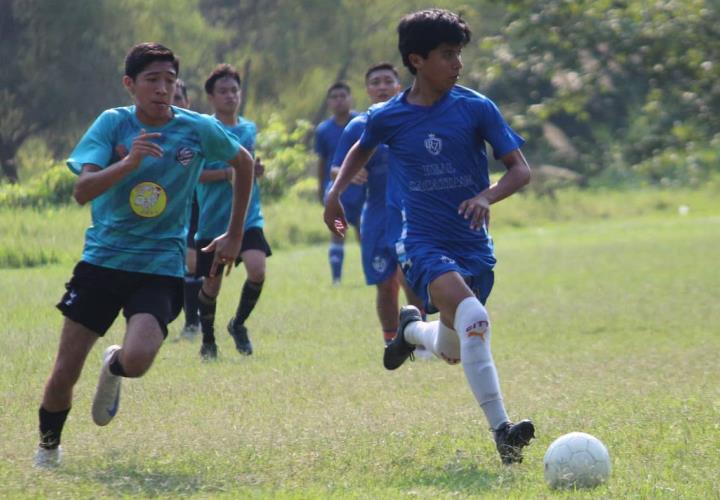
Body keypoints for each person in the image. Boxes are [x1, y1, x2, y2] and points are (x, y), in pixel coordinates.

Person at [323, 9, 535, 465]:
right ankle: (503, 431)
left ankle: (411, 330)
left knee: (457, 346)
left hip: (474, 247)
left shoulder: (476, 107)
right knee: (474, 317)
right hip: (421, 244)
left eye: (459, 54)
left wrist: (487, 196)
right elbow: (360, 150)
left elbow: (520, 170)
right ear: (417, 60)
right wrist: (334, 197)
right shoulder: (388, 117)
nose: (458, 64)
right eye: (447, 55)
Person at [34, 43, 254, 468]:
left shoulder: (195, 128)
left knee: (137, 359)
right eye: (152, 80)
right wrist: (130, 163)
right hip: (103, 261)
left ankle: (113, 367)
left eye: (169, 81)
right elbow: (82, 191)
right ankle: (47, 448)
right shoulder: (113, 124)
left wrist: (235, 232)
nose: (162, 89)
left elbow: (243, 163)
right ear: (130, 84)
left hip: (159, 263)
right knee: (65, 371)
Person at [330, 63, 426, 346]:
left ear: (399, 85)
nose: (382, 87)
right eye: (375, 82)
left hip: (412, 213)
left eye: (388, 81)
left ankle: (420, 340)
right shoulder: (358, 126)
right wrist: (349, 174)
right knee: (385, 284)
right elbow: (336, 169)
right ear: (367, 89)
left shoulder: (414, 120)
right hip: (375, 215)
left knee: (412, 280)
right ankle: (391, 342)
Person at [194, 63, 271, 360]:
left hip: (248, 215)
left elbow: (247, 167)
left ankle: (238, 324)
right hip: (214, 219)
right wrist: (228, 173)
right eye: (223, 91)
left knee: (257, 269)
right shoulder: (204, 129)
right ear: (211, 97)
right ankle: (208, 339)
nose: (230, 96)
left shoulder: (248, 128)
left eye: (234, 90)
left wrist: (255, 170)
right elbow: (196, 174)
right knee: (211, 284)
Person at [314, 82, 363, 285]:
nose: (339, 100)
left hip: (362, 189)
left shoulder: (361, 123)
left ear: (350, 98)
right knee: (338, 231)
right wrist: (320, 188)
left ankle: (373, 271)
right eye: (334, 97)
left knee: (365, 232)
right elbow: (322, 162)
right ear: (329, 102)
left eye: (343, 96)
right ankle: (336, 279)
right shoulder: (323, 130)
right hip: (337, 191)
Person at [172, 78, 203, 341]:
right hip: (166, 210)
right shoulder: (148, 132)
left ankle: (194, 323)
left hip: (197, 206)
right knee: (182, 265)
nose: (174, 104)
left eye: (178, 98)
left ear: (188, 102)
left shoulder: (198, 132)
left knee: (192, 262)